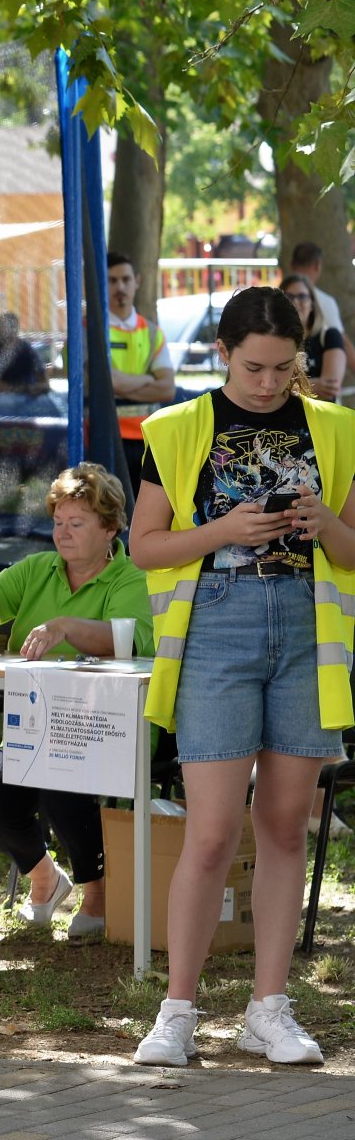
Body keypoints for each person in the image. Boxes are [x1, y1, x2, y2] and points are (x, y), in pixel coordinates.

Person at [130, 286, 355, 1067]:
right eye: (255, 367)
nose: (269, 384)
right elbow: (144, 547)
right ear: (223, 354)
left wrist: (326, 525)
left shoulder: (334, 428)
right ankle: (177, 1012)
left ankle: (270, 1007)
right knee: (213, 832)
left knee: (287, 826)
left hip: (305, 630)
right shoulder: (179, 425)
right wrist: (225, 530)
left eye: (284, 369)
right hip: (215, 629)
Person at [0, 464, 152, 940]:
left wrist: (64, 626)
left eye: (76, 523)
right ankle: (45, 877)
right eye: (58, 522)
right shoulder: (40, 568)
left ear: (110, 527)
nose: (62, 533)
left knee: (63, 781)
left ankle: (98, 892)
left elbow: (131, 640)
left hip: (110, 723)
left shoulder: (131, 576)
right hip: (36, 722)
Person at [105, 254, 175, 483]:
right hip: (104, 437)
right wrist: (147, 379)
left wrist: (120, 383)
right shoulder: (88, 331)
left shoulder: (153, 332)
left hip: (147, 438)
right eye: (112, 280)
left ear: (137, 281)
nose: (120, 287)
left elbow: (166, 389)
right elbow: (108, 383)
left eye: (125, 279)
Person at [283, 275, 345, 401]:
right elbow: (267, 387)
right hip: (283, 419)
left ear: (312, 303)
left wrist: (288, 387)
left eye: (302, 296)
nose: (295, 302)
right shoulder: (272, 340)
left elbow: (330, 389)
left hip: (320, 418)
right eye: (289, 296)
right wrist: (315, 384)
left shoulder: (329, 336)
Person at [0, 312, 50, 397]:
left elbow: (45, 383)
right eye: (0, 328)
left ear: (15, 332)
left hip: (21, 396)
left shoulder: (26, 350)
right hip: (2, 397)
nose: (1, 333)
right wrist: (17, 389)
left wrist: (37, 387)